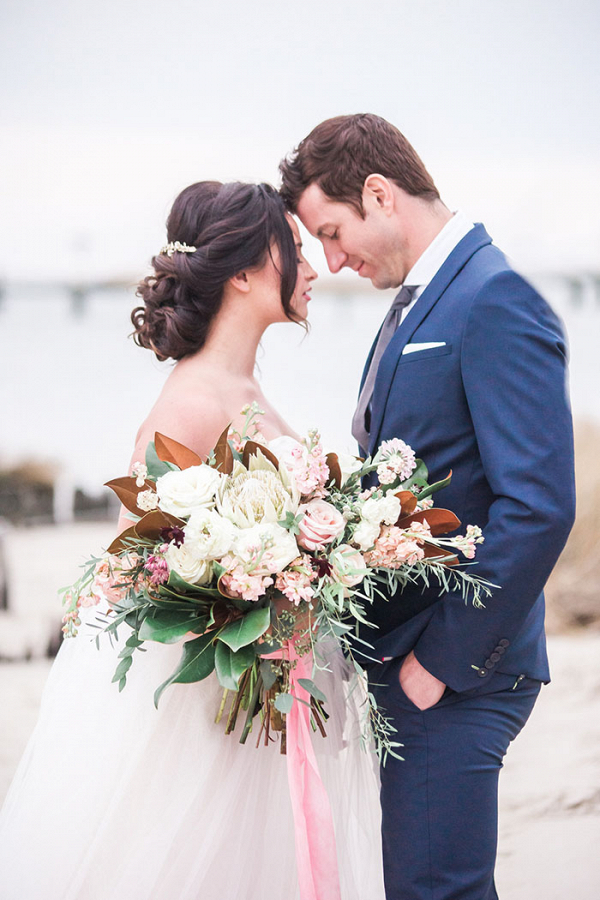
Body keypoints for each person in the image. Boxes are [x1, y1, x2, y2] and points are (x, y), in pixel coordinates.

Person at [0, 181, 386, 900]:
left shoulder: (246, 389)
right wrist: (237, 587)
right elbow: (128, 568)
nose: (314, 270)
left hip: (271, 693)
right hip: (212, 711)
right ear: (243, 272)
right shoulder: (193, 398)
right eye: (296, 252)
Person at [279, 114, 576, 900]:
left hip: (458, 674)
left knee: (436, 892)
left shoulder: (493, 297)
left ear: (379, 194)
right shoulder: (420, 301)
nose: (334, 261)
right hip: (411, 667)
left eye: (333, 233)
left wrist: (439, 665)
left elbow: (540, 505)